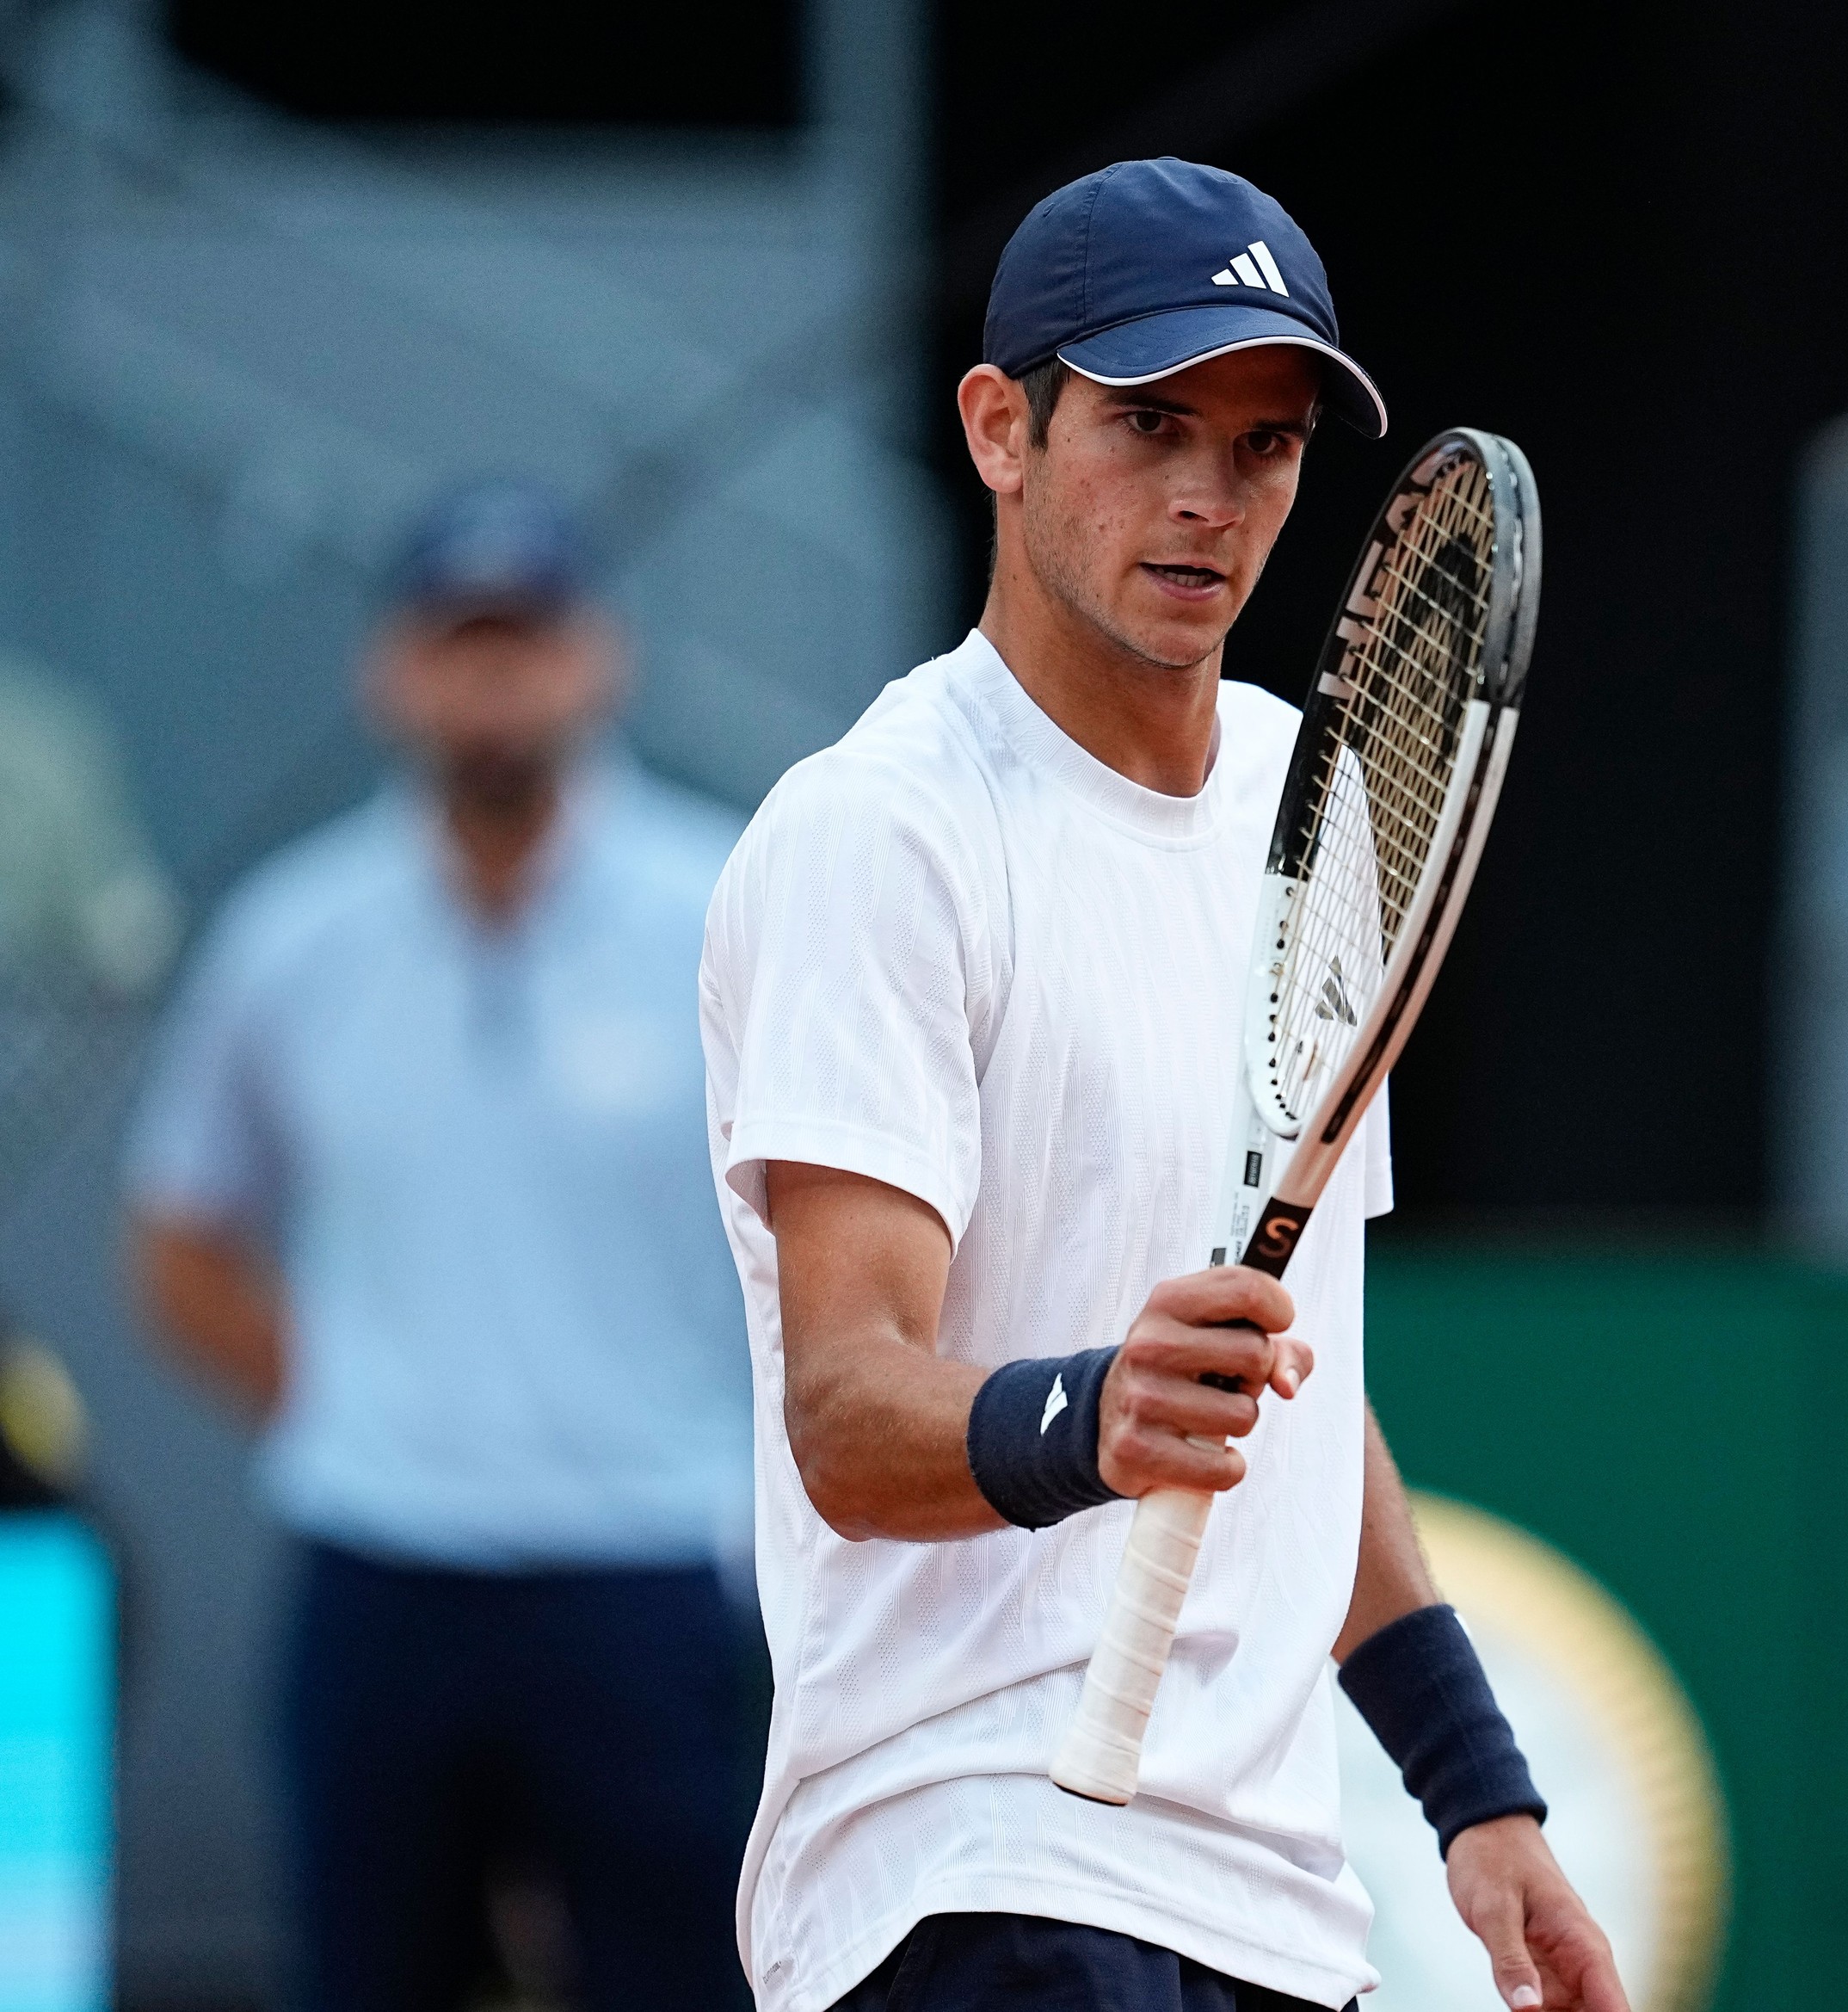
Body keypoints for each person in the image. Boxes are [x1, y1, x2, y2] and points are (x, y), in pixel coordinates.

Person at [699, 159, 1627, 2012]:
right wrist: (1086, 1410)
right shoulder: (879, 832)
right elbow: (844, 1407)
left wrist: (1475, 1792)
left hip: (1266, 1894)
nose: (1209, 497)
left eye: (1265, 446)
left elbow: (1296, 1383)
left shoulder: (1317, 806)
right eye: (1148, 423)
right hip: (964, 1861)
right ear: (999, 429)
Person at [125, 482, 755, 2012]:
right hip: (383, 1564)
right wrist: (351, 1403)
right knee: (368, 1974)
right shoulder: (295, 935)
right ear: (390, 671)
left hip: (651, 1561)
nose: (495, 681)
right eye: (459, 642)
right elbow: (179, 1228)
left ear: (600, 659)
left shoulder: (730, 905)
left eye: (527, 640)